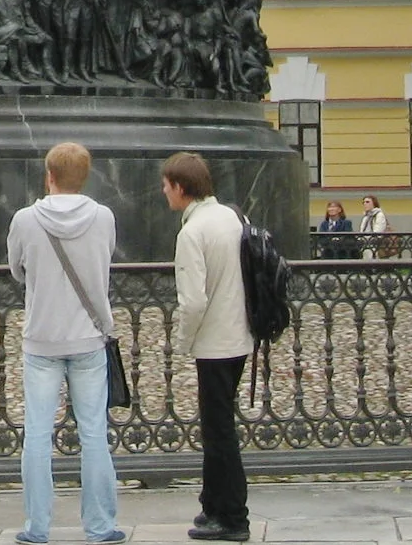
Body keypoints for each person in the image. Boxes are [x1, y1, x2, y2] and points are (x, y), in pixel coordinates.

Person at [6, 141, 125, 545]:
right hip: (88, 335)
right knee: (93, 434)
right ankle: (100, 525)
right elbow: (105, 259)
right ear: (85, 177)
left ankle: (37, 526)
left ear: (49, 176)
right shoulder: (103, 217)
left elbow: (17, 269)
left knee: (38, 435)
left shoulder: (25, 220)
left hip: (42, 338)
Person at [163, 151, 251, 542]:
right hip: (239, 335)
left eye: (166, 185)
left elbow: (193, 301)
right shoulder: (232, 217)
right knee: (219, 426)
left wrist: (183, 341)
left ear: (180, 187)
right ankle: (213, 505)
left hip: (214, 342)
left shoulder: (192, 232)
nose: (164, 192)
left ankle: (232, 517)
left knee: (219, 432)